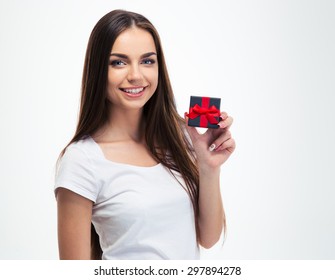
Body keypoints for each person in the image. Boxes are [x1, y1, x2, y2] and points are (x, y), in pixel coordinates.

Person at [55, 9, 235, 260]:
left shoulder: (182, 137)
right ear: (98, 70)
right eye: (118, 62)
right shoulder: (81, 160)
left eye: (147, 61)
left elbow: (208, 237)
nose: (136, 75)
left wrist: (208, 166)